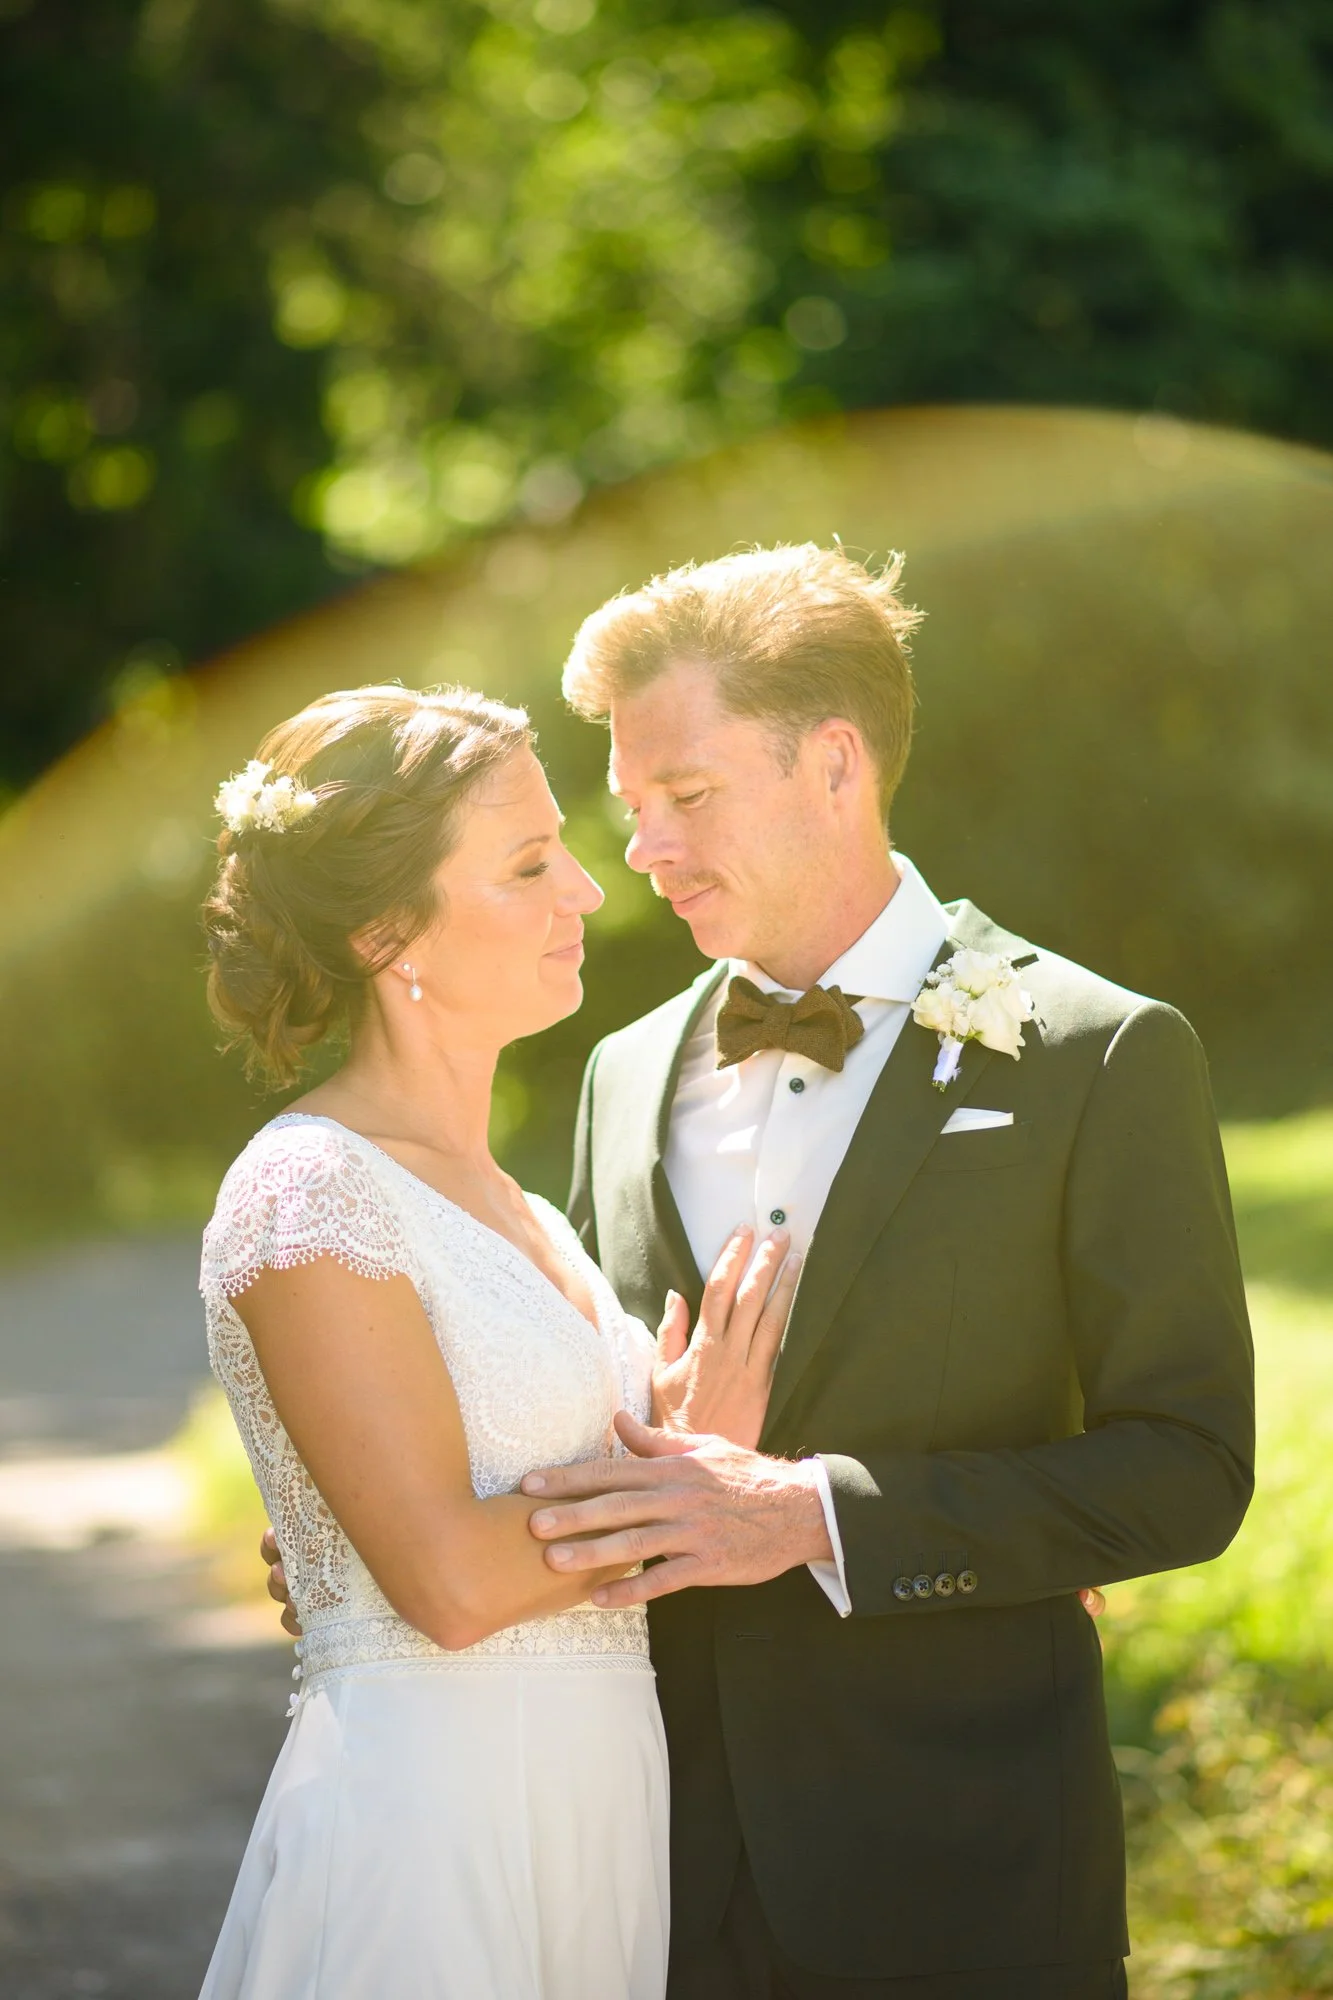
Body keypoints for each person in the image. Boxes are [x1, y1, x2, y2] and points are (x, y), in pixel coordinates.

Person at [507, 543, 1256, 1998]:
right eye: (631, 810)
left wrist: (814, 1516)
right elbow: (593, 1414)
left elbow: (1188, 1468)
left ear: (835, 764)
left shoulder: (1101, 1055)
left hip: (963, 1870)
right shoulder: (620, 1070)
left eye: (688, 796)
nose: (644, 851)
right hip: (649, 1867)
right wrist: (387, 1522)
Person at [196, 684, 799, 2000]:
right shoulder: (307, 1193)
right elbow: (451, 1587)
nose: (586, 891)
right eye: (530, 864)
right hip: (433, 1828)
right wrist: (691, 1466)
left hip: (599, 1815)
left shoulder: (528, 1210)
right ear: (382, 930)